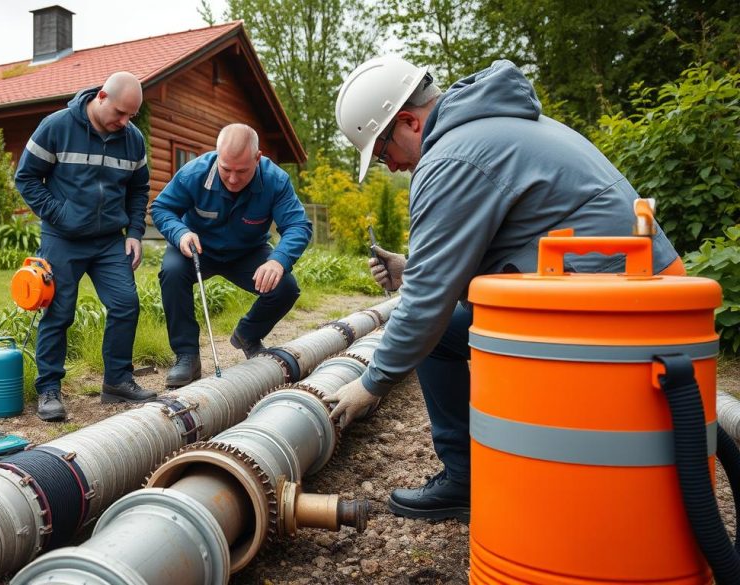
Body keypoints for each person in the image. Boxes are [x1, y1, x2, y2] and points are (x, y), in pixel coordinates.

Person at [329, 56, 684, 522]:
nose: (392, 166)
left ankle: (479, 481)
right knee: (444, 334)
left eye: (383, 152)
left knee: (432, 336)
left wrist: (369, 384)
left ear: (409, 122)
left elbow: (424, 308)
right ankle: (475, 476)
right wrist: (413, 267)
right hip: (648, 296)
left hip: (610, 313)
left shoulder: (450, 157)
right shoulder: (498, 126)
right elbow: (511, 246)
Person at [15, 71, 157, 422]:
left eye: (131, 116)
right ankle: (49, 389)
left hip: (109, 240)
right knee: (58, 312)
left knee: (126, 304)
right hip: (62, 238)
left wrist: (135, 232)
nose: (124, 122)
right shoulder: (57, 126)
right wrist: (59, 214)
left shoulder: (132, 139)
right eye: (121, 113)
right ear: (102, 97)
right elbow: (26, 178)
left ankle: (117, 383)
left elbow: (139, 188)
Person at [150, 123, 313, 388]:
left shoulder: (276, 180)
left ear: (257, 158)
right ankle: (187, 356)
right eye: (226, 170)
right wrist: (180, 233)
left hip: (247, 251)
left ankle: (248, 335)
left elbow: (298, 226)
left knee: (285, 287)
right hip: (197, 248)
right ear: (216, 156)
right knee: (172, 272)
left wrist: (278, 260)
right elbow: (162, 208)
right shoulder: (194, 173)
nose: (233, 179)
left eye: (242, 171)